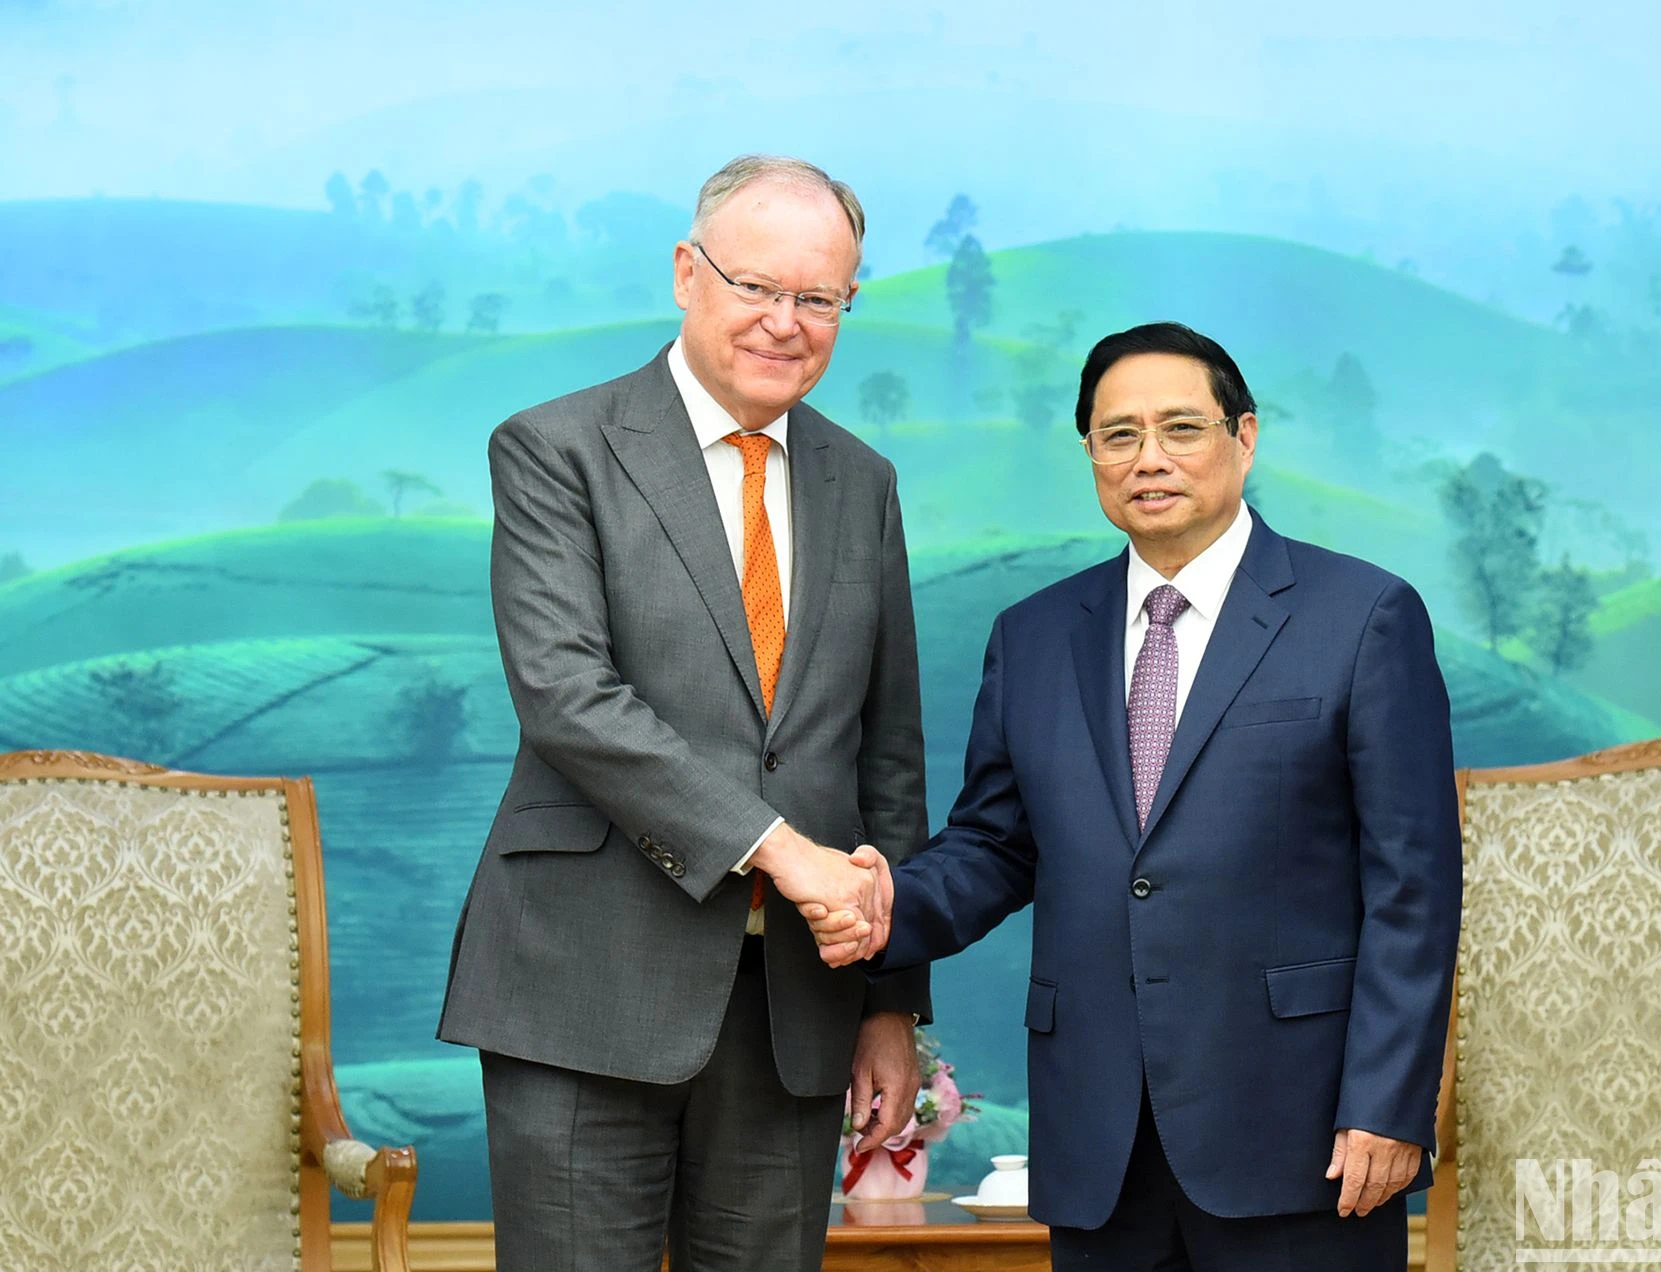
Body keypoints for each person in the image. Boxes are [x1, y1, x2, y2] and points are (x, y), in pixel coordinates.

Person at [815, 322, 1461, 1270]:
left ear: (1245, 437)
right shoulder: (1034, 635)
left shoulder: (1363, 616)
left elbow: (1415, 885)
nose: (1148, 459)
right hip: (1099, 1141)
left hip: (1303, 1138)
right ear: (1090, 455)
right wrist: (879, 906)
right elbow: (995, 846)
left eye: (1181, 429)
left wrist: (1386, 1105)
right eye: (1118, 435)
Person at [439, 154, 929, 1272]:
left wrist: (891, 1003)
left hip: (794, 1010)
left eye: (818, 298)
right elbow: (569, 697)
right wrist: (785, 854)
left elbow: (886, 753)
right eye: (756, 285)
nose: (783, 322)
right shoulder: (557, 447)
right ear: (685, 273)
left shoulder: (865, 481)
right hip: (584, 987)